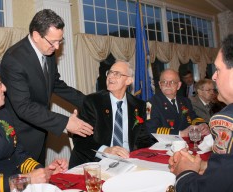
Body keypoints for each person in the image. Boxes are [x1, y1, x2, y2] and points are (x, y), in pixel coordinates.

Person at [0, 9, 93, 164]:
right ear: (36, 36)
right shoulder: (14, 59)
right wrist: (65, 122)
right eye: (53, 42)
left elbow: (55, 84)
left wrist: (90, 103)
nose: (57, 47)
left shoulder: (47, 51)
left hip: (41, 132)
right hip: (20, 137)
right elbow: (23, 107)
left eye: (60, 41)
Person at [168, 34, 233, 192]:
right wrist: (205, 165)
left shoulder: (226, 120)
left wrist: (184, 172)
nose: (214, 76)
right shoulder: (156, 102)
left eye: (218, 69)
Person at [69, 61, 153, 168]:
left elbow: (143, 139)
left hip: (128, 161)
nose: (110, 77)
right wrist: (106, 150)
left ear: (128, 80)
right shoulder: (93, 102)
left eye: (117, 74)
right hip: (96, 163)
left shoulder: (139, 105)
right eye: (110, 72)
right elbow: (81, 141)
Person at [146, 69, 209, 137]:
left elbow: (192, 117)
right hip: (164, 145)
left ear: (179, 85)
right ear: (160, 85)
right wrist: (180, 133)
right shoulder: (151, 104)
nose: (168, 85)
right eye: (164, 82)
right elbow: (151, 130)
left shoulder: (185, 101)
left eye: (172, 82)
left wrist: (201, 124)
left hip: (186, 144)